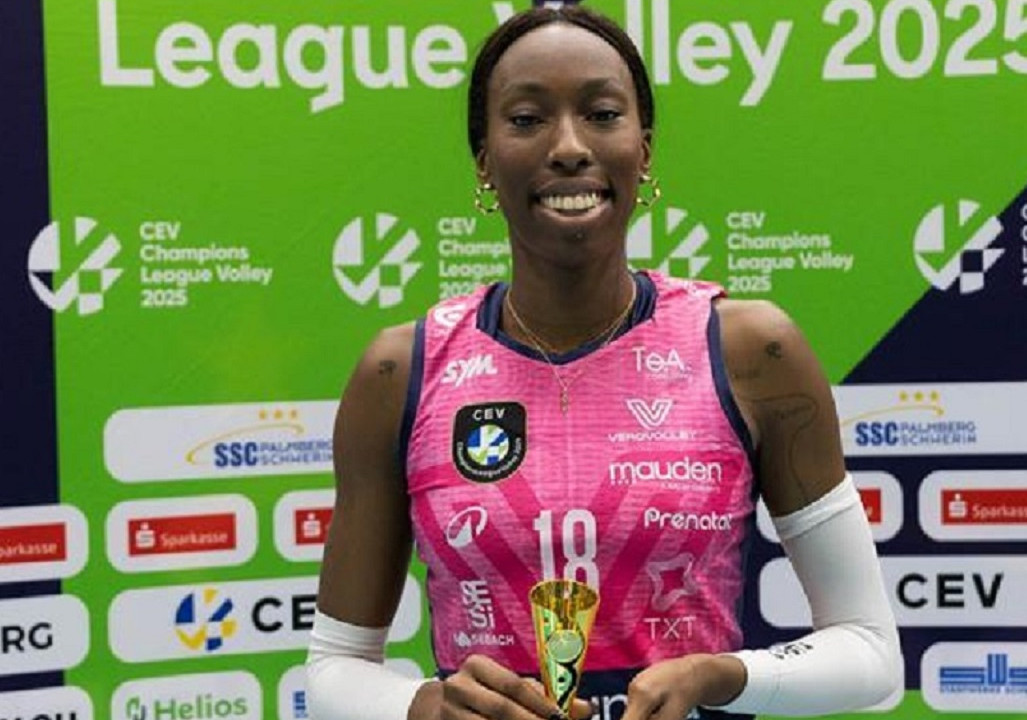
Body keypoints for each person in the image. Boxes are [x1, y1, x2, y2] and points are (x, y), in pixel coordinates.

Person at [306, 6, 902, 720]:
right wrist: (426, 707)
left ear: (643, 151)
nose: (568, 147)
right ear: (484, 160)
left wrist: (720, 675)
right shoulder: (402, 371)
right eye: (527, 119)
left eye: (602, 114)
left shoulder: (752, 352)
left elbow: (871, 654)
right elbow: (334, 670)